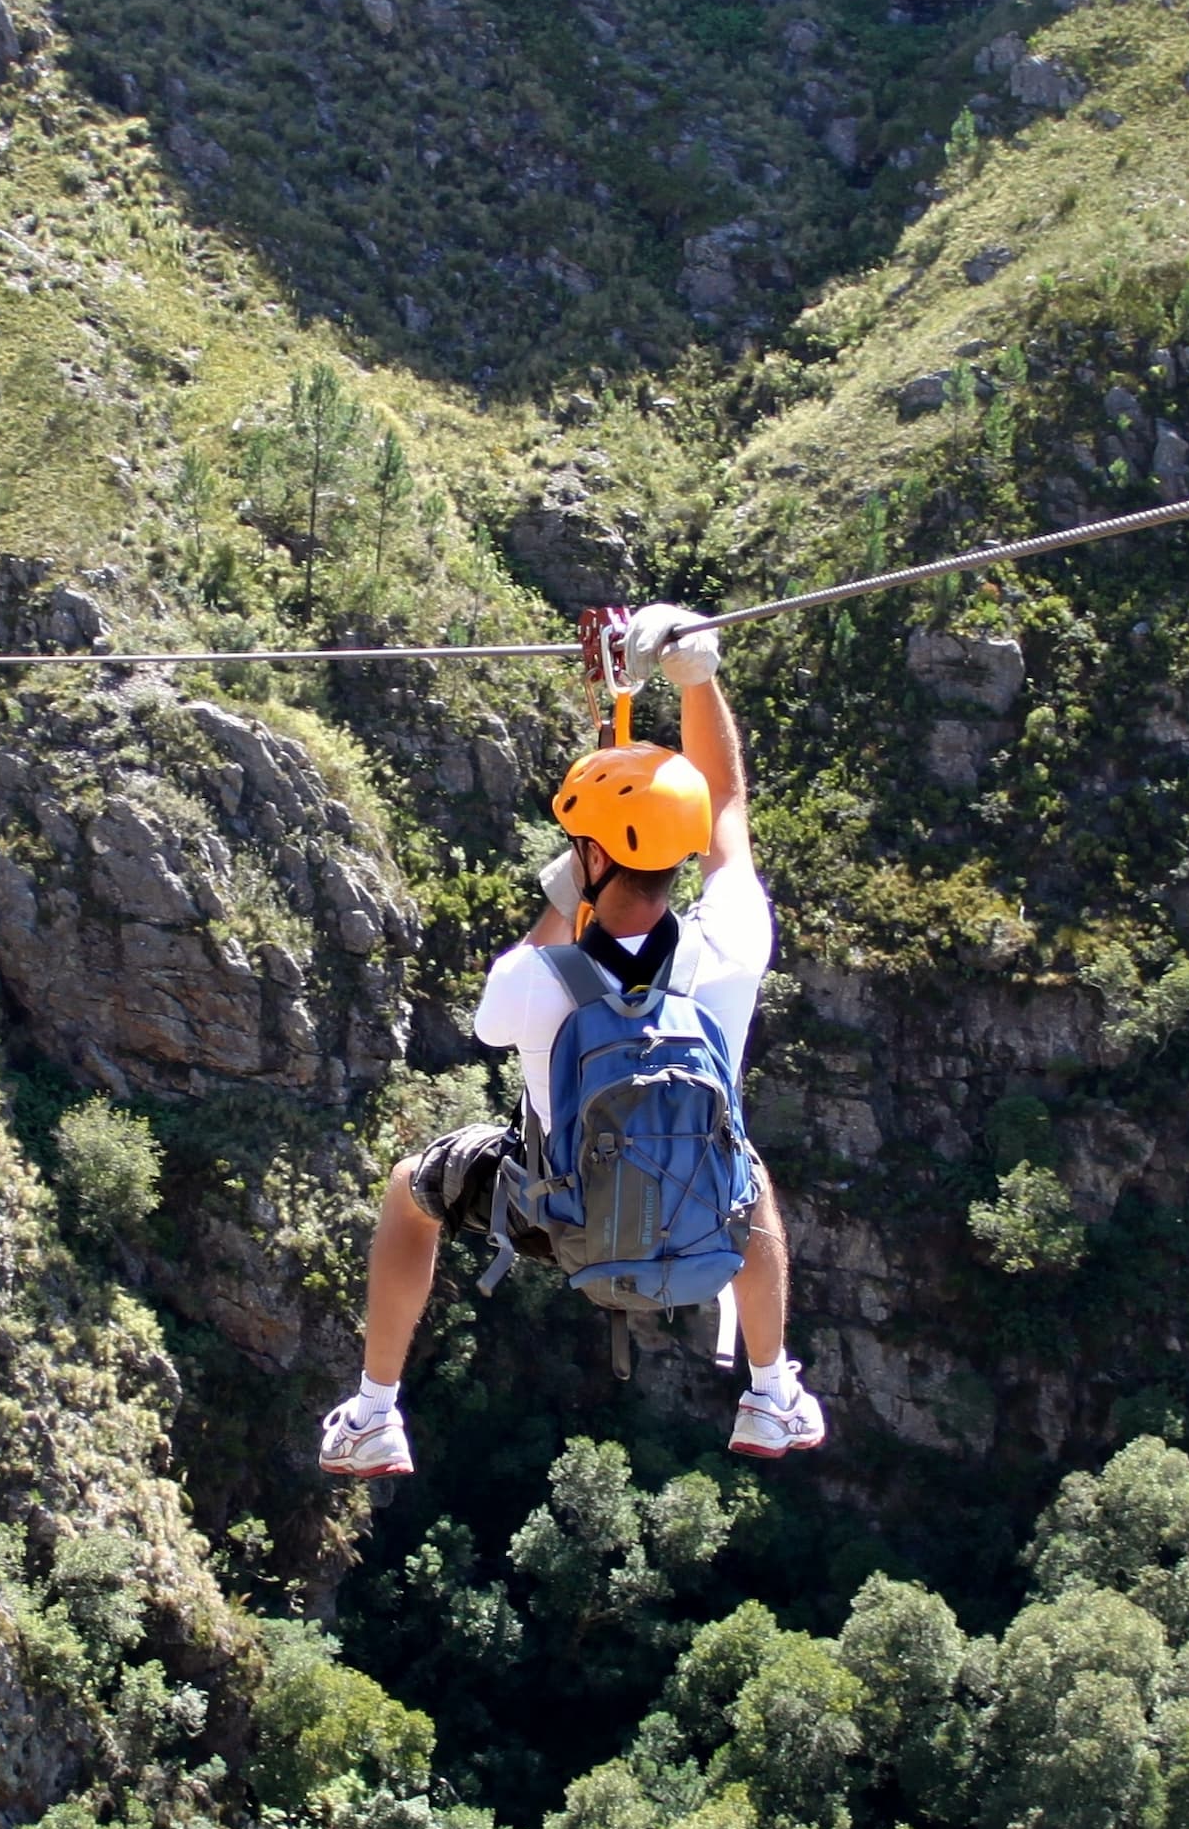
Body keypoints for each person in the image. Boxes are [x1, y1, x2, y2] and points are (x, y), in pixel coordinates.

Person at [318, 603, 824, 1477]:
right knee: (748, 1165)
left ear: (588, 857)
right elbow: (728, 808)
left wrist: (567, 889)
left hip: (562, 1220)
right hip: (702, 1220)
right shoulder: (735, 945)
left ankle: (374, 1413)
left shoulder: (534, 980)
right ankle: (772, 1393)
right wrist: (697, 678)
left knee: (410, 1189)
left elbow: (495, 1014)